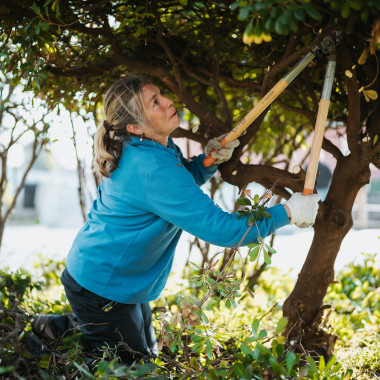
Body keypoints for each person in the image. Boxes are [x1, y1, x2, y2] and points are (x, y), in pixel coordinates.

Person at [33, 75, 320, 363]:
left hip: (108, 275)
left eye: (161, 95)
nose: (168, 101)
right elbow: (226, 231)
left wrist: (207, 161)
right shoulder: (151, 168)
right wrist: (289, 212)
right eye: (154, 102)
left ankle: (66, 327)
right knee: (135, 364)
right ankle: (52, 333)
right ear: (135, 126)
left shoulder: (151, 147)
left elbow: (179, 182)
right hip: (101, 286)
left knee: (137, 346)